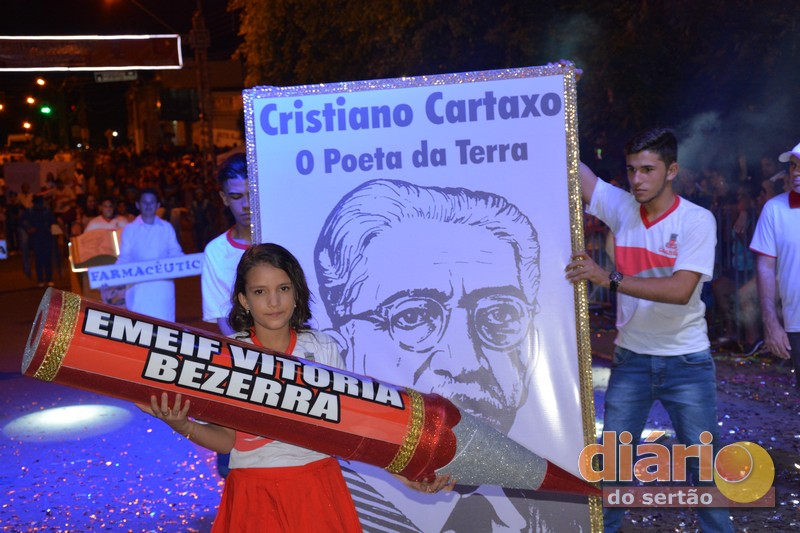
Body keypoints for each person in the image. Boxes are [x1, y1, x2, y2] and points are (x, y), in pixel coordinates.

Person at [315, 179, 586, 532]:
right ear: (342, 349)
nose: (465, 363)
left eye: (500, 313)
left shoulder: (562, 515)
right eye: (412, 316)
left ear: (531, 346)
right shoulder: (320, 509)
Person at [139, 243, 453, 532]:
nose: (274, 301)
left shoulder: (322, 348)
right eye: (260, 292)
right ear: (244, 300)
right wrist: (181, 424)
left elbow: (352, 431)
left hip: (317, 489)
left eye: (283, 288)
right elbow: (226, 442)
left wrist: (403, 472)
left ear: (297, 293)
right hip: (254, 494)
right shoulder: (227, 355)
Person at [566, 128, 732, 532]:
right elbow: (574, 168)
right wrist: (551, 107)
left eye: (647, 169)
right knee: (613, 469)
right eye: (631, 170)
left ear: (671, 170)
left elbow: (680, 290)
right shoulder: (623, 207)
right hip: (632, 361)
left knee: (704, 474)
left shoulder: (696, 220)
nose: (636, 179)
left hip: (686, 363)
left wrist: (609, 278)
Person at [750, 140, 800, 388]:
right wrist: (771, 323)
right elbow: (765, 268)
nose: (795, 172)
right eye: (793, 165)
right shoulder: (774, 209)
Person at [202, 153, 251, 336]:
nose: (246, 204)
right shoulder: (215, 252)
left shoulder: (283, 239)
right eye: (237, 196)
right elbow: (224, 320)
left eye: (251, 194)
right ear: (224, 198)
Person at [116, 188, 184, 321]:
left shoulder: (166, 228)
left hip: (162, 289)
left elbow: (176, 253)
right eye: (144, 202)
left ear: (158, 205)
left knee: (164, 327)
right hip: (138, 291)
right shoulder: (130, 229)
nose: (148, 206)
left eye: (152, 202)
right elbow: (124, 257)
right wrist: (111, 274)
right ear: (138, 205)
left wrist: (186, 263)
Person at [23, 195, 56, 287]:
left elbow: (53, 222)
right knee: (39, 259)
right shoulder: (30, 212)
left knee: (47, 258)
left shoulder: (47, 212)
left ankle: (48, 278)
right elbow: (22, 221)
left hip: (46, 236)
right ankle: (41, 279)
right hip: (36, 237)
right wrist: (28, 228)